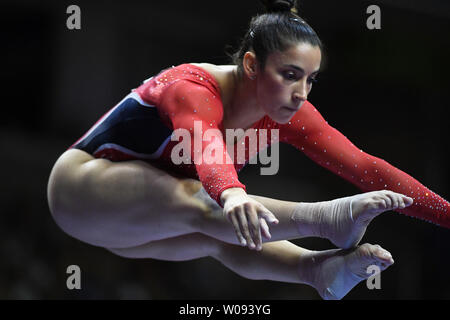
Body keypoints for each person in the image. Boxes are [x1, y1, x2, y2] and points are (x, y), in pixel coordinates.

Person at [47, 0, 449, 299]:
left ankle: (317, 272)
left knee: (222, 236)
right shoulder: (192, 88)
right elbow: (205, 144)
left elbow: (366, 167)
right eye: (290, 75)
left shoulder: (291, 112)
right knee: (207, 203)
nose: (301, 93)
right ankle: (325, 219)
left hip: (132, 230)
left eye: (311, 79)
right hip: (79, 191)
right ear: (253, 65)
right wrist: (232, 191)